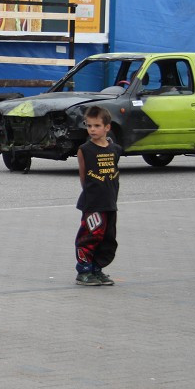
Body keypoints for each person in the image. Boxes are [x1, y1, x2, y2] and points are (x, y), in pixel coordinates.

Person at [74, 105, 121, 287]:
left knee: (107, 238)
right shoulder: (85, 150)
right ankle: (84, 270)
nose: (92, 129)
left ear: (107, 127)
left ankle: (97, 268)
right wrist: (91, 196)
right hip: (93, 203)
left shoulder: (115, 149)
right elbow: (83, 176)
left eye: (97, 126)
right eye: (89, 126)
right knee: (90, 236)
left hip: (110, 202)